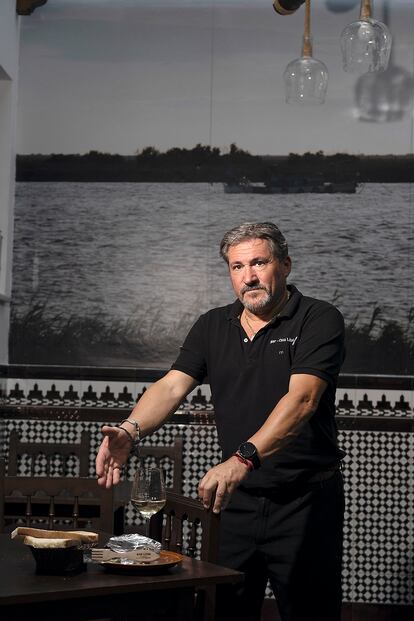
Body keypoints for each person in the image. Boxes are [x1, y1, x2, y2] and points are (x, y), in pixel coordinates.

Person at [96, 221, 346, 621]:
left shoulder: (318, 318)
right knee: (221, 611)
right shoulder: (213, 325)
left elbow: (302, 400)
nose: (248, 276)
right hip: (236, 503)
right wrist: (130, 429)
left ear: (285, 264)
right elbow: (172, 386)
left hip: (305, 502)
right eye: (237, 267)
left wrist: (242, 457)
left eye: (259, 263)